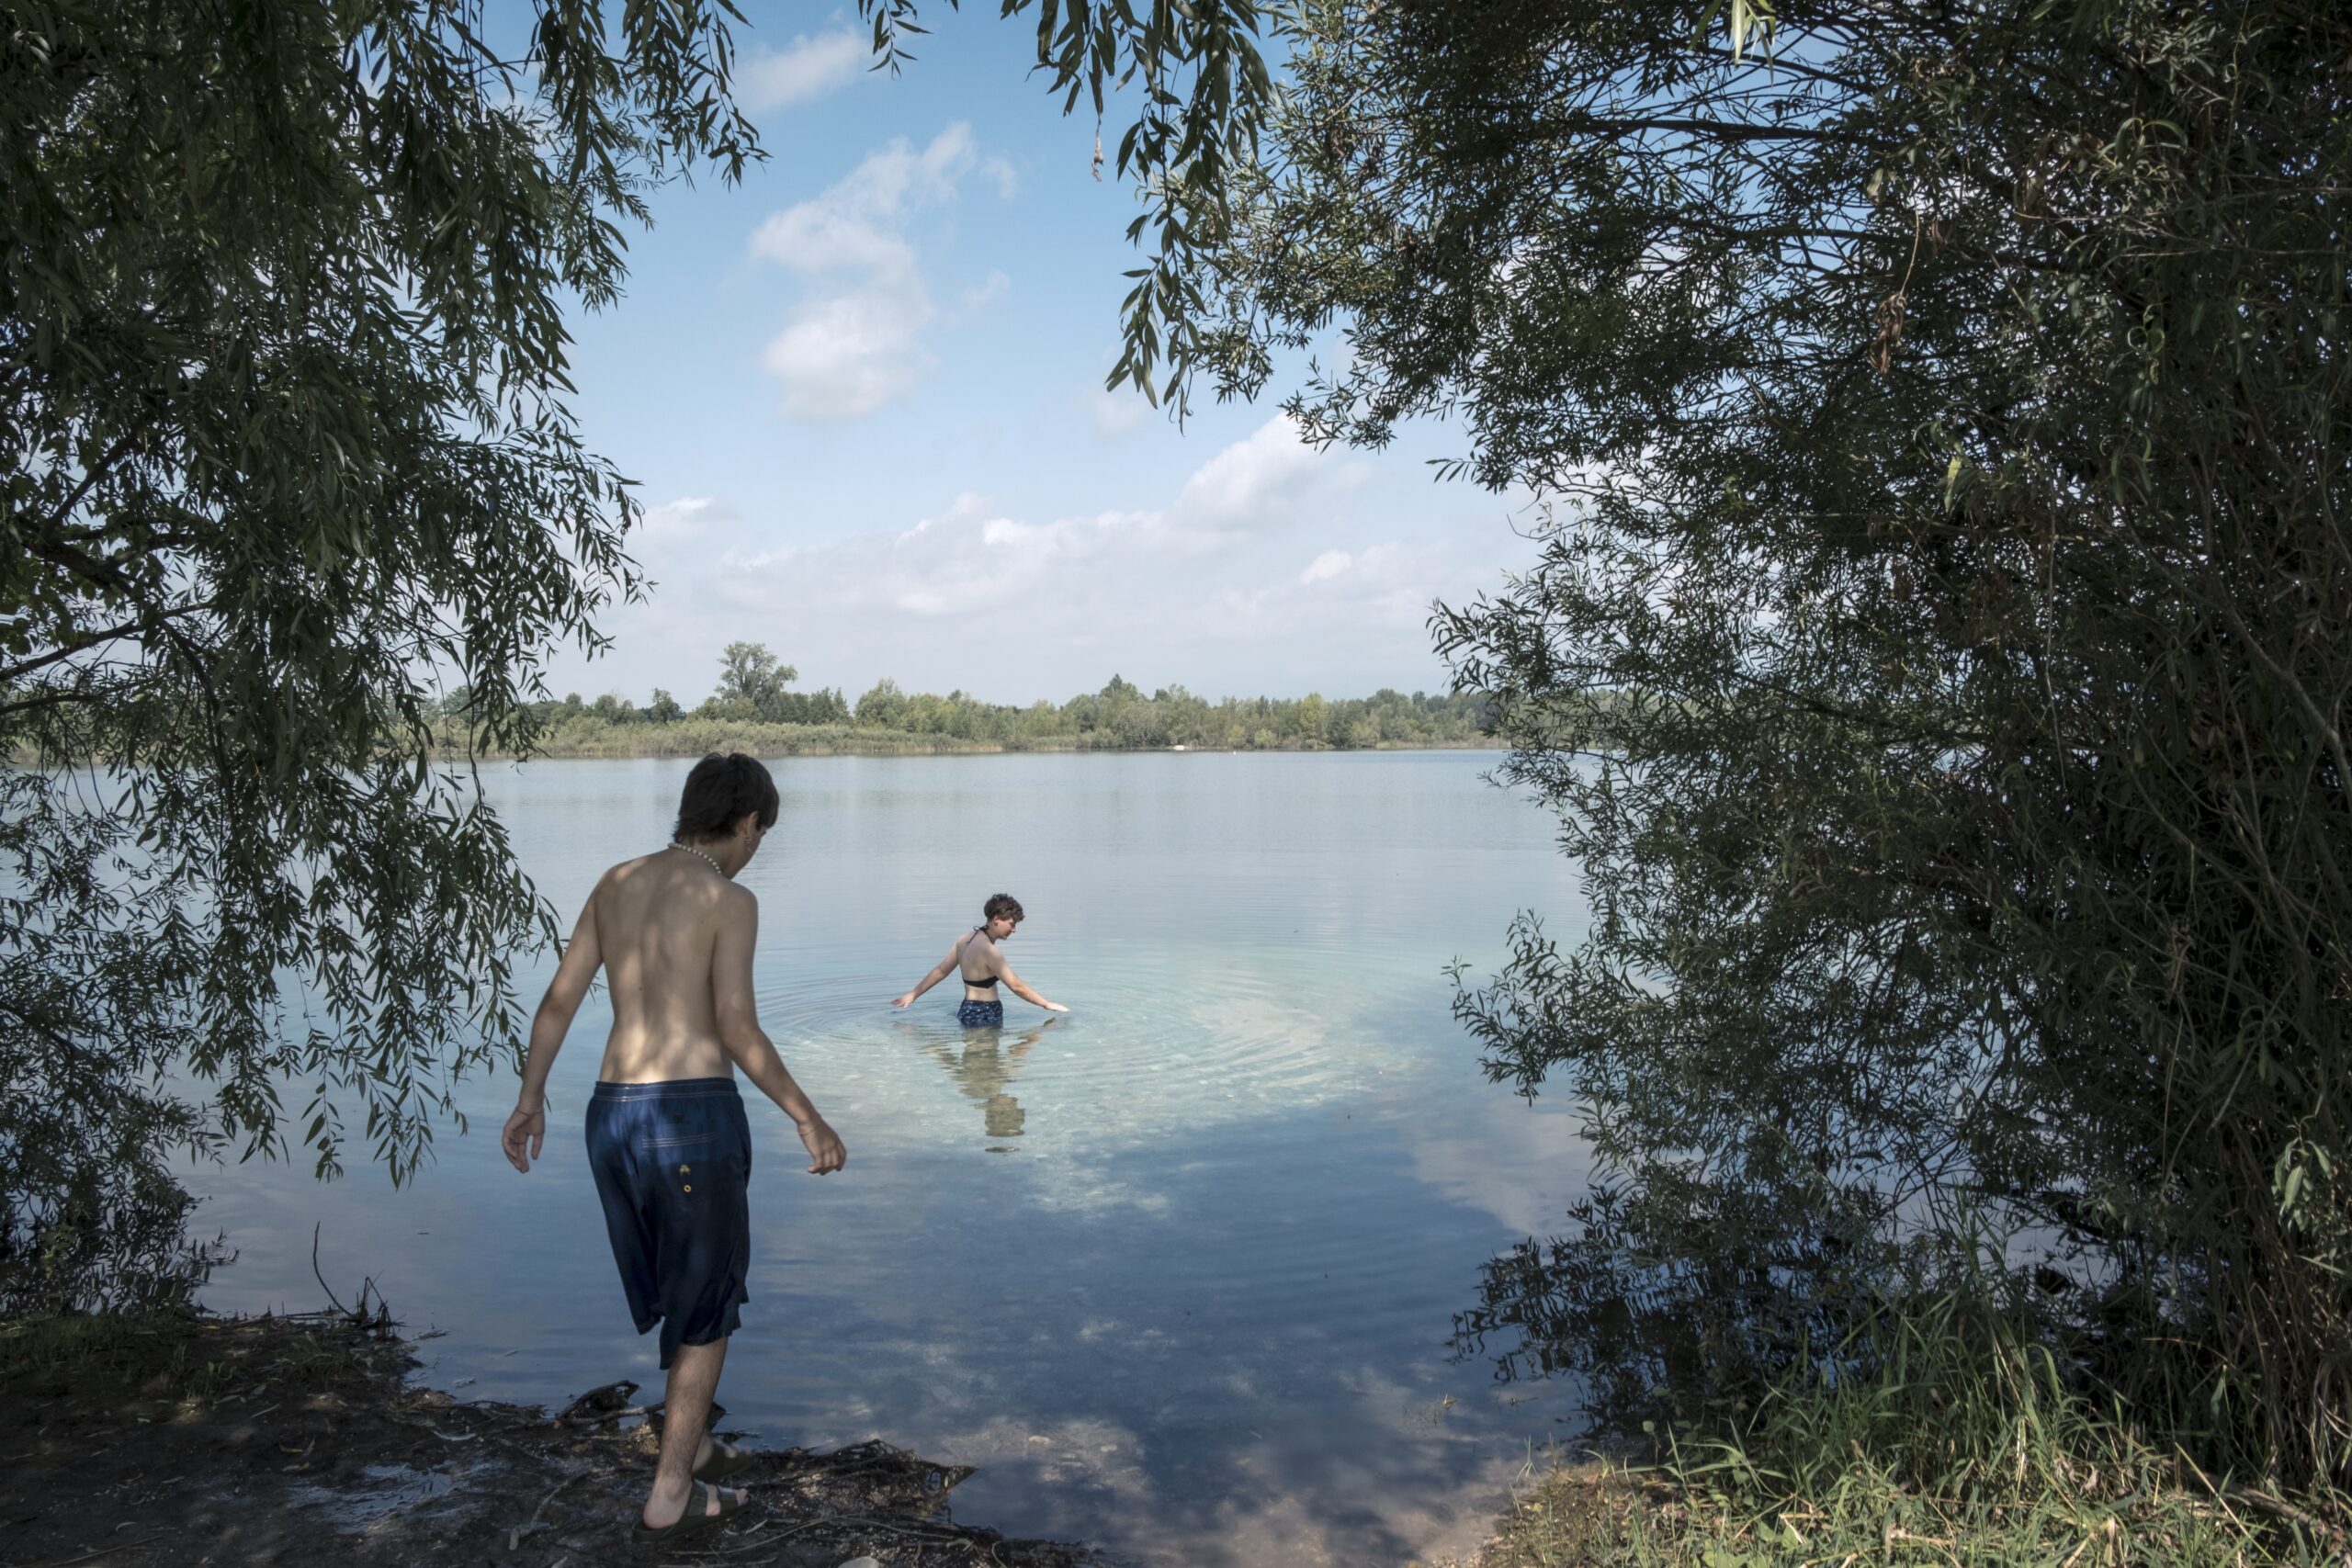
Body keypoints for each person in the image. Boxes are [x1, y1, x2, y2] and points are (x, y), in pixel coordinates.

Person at [500, 751, 846, 1547]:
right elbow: (736, 1027)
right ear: (749, 821)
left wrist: (529, 1095)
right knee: (707, 1306)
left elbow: (559, 999)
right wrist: (808, 1116)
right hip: (689, 1113)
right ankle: (669, 1493)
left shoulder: (615, 880)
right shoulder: (730, 898)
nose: (760, 844)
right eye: (764, 830)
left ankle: (690, 1443)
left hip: (610, 1114)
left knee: (679, 1285)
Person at [891, 893, 1069, 1026]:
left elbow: (941, 971)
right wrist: (1046, 1004)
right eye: (1012, 924)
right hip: (986, 1013)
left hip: (966, 1010)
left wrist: (914, 994)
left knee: (973, 1063)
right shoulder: (990, 951)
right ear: (997, 919)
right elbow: (1016, 985)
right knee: (989, 1068)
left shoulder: (964, 940)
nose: (1014, 930)